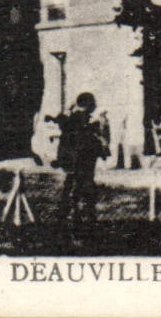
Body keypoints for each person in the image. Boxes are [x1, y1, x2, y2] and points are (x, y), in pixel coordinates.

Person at [54, 92, 109, 233]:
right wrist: (102, 148)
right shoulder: (86, 120)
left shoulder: (69, 119)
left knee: (70, 188)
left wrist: (69, 108)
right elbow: (93, 142)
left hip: (70, 162)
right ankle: (86, 220)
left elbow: (62, 124)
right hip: (83, 162)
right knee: (86, 190)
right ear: (90, 105)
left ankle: (64, 217)